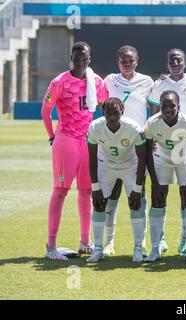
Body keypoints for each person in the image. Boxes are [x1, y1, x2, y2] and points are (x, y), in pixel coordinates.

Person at [41, 41, 108, 260]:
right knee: (60, 191)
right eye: (77, 58)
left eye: (85, 58)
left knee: (87, 192)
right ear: (72, 57)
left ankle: (84, 241)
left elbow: (107, 104)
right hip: (67, 140)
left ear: (90, 59)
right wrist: (52, 135)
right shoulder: (59, 82)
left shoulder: (95, 81)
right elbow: (45, 111)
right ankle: (51, 246)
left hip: (87, 141)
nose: (81, 62)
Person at [148, 48, 186, 256]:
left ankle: (185, 242)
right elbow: (154, 114)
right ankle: (159, 242)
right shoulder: (159, 84)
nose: (175, 62)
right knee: (159, 195)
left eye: (179, 59)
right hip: (163, 149)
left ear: (185, 62)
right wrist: (156, 135)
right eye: (171, 59)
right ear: (166, 63)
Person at [102, 45, 154, 257]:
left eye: (130, 60)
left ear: (137, 61)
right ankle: (108, 243)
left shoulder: (148, 82)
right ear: (117, 61)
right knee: (111, 195)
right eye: (123, 59)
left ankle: (141, 243)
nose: (126, 63)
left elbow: (155, 108)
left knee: (139, 194)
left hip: (137, 145)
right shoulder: (109, 81)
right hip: (112, 144)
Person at [86, 98, 147, 263]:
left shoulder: (133, 128)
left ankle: (138, 248)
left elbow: (142, 159)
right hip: (106, 165)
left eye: (116, 113)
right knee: (98, 204)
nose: (112, 117)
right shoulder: (95, 128)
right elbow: (91, 157)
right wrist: (95, 187)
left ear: (122, 112)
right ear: (103, 113)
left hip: (130, 165)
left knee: (136, 204)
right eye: (108, 113)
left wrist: (137, 188)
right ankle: (98, 249)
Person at [143, 90, 186, 263]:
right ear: (159, 107)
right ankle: (156, 247)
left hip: (184, 159)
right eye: (164, 106)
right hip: (161, 159)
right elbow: (147, 152)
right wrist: (154, 181)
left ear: (179, 107)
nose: (168, 109)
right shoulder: (152, 123)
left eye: (172, 106)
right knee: (158, 199)